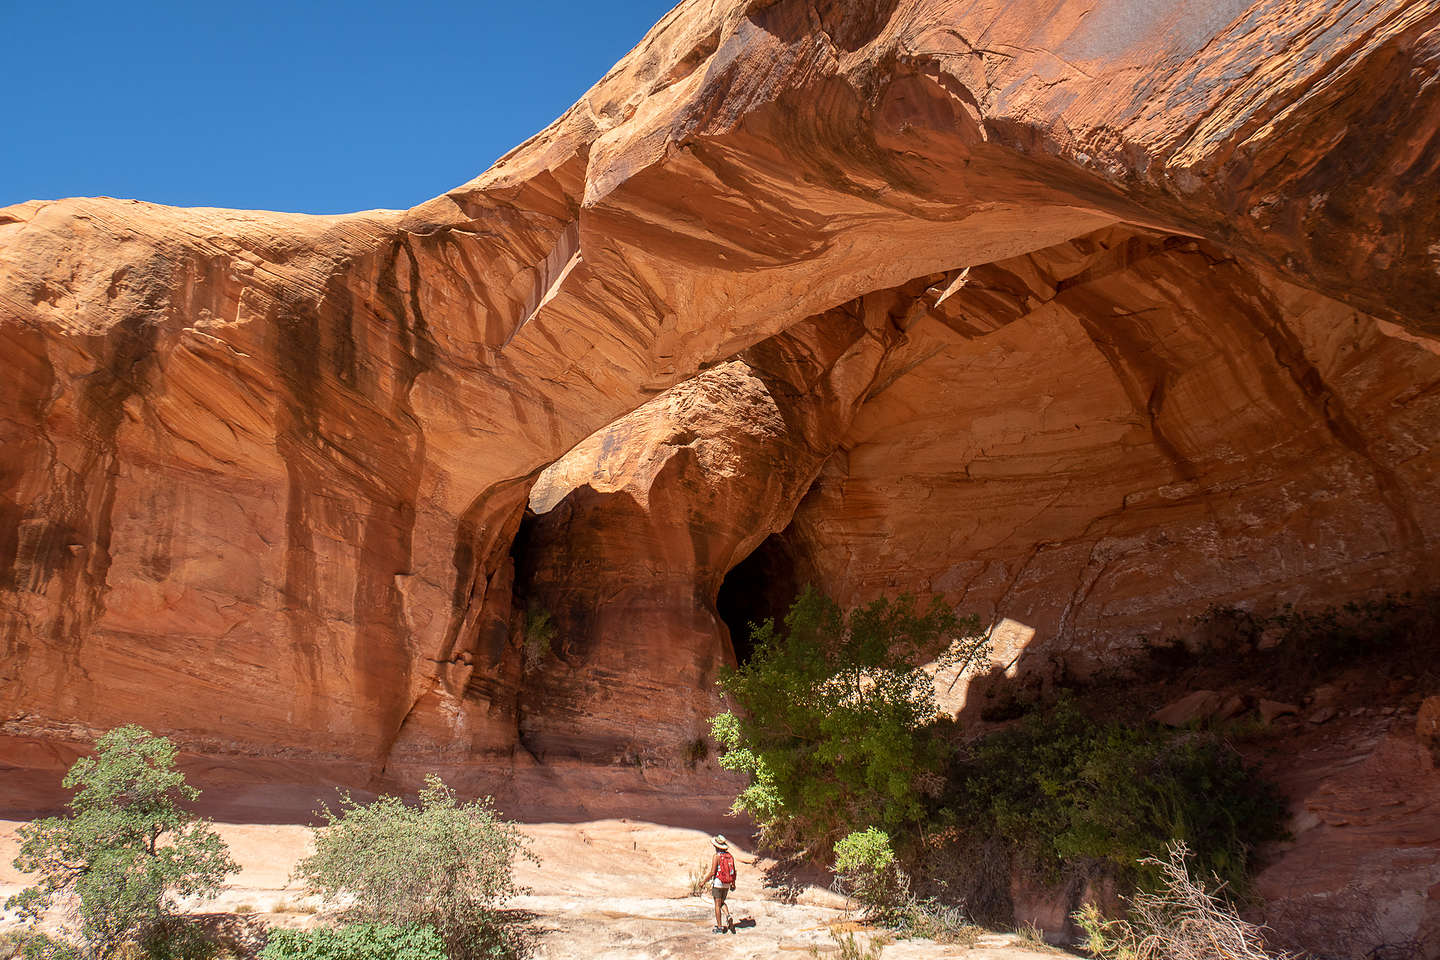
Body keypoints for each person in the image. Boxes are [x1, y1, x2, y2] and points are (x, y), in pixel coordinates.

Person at [700, 834, 737, 933]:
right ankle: (728, 916)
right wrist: (733, 883)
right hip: (727, 883)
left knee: (717, 904)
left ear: (716, 846)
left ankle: (720, 928)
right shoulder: (730, 856)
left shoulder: (716, 856)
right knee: (721, 902)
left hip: (718, 882)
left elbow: (713, 872)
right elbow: (734, 871)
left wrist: (703, 881)